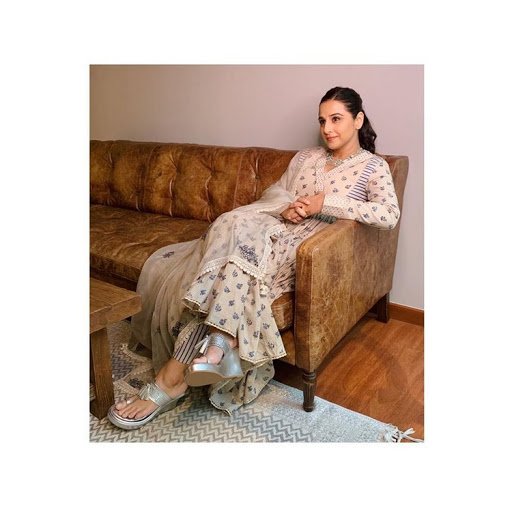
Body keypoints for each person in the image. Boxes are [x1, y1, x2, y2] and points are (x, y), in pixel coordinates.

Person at [108, 86, 401, 430]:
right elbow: (275, 194)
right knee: (231, 231)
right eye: (322, 120)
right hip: (272, 231)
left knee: (235, 267)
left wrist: (326, 203)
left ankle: (170, 381)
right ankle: (219, 345)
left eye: (336, 119)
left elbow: (388, 214)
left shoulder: (373, 167)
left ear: (358, 120)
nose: (327, 128)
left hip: (307, 250)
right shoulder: (306, 157)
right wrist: (288, 208)